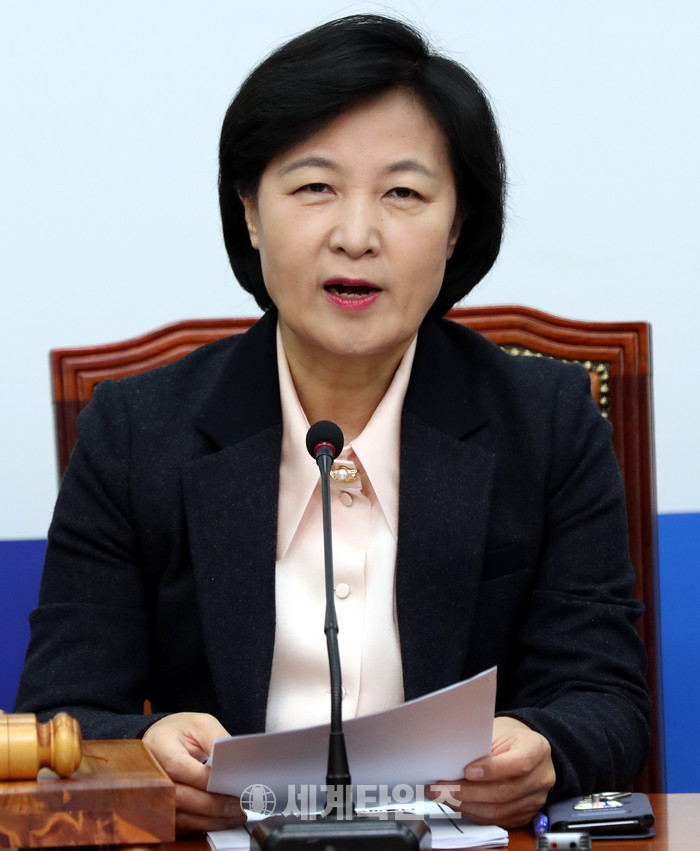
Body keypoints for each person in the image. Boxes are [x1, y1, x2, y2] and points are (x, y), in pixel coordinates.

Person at [15, 14, 650, 834]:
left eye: (404, 193)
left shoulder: (550, 421)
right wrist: (146, 748)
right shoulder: (138, 431)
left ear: (457, 226)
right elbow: (59, 715)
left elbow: (607, 701)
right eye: (315, 187)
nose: (356, 236)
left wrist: (544, 747)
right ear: (250, 211)